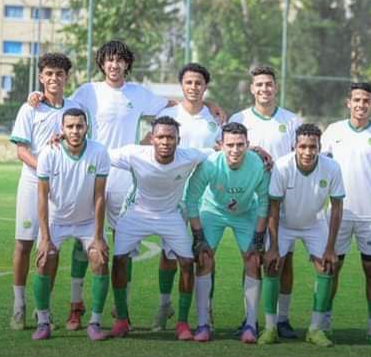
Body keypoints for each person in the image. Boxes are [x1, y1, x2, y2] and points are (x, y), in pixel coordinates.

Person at [27, 41, 224, 330]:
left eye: (120, 60)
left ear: (127, 65)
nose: (114, 65)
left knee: (123, 246)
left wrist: (208, 105)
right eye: (109, 60)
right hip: (90, 174)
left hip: (123, 179)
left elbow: (174, 105)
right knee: (82, 242)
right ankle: (75, 306)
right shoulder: (87, 91)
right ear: (102, 64)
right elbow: (64, 111)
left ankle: (123, 312)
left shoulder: (138, 93)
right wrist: (37, 97)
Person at [108, 116, 213, 340]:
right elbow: (98, 154)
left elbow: (218, 151)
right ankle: (122, 320)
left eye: (171, 137)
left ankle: (182, 323)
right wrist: (63, 140)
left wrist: (255, 150)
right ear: (152, 139)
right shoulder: (134, 154)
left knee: (187, 262)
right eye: (161, 137)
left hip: (170, 215)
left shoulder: (189, 156)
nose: (165, 141)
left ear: (178, 140)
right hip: (136, 213)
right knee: (119, 260)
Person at [8, 53, 81, 330]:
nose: (54, 78)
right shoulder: (30, 108)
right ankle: (18, 304)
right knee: (24, 243)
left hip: (61, 188)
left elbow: (80, 143)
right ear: (41, 77)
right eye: (49, 73)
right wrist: (44, 168)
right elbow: (21, 150)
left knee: (51, 247)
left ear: (66, 78)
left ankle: (44, 308)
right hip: (32, 183)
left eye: (59, 74)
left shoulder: (74, 109)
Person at [229, 65, 302, 338]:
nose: (264, 89)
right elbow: (224, 147)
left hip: (282, 200)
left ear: (276, 87)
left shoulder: (291, 120)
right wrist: (253, 149)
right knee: (251, 258)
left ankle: (282, 319)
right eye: (259, 84)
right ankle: (250, 318)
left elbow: (300, 156)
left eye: (268, 84)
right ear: (252, 89)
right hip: (249, 201)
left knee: (284, 260)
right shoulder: (239, 118)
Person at [321, 82, 371, 343]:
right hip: (338, 213)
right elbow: (321, 161)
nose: (361, 105)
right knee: (331, 267)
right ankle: (323, 322)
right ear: (348, 102)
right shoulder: (334, 130)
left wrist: (368, 173)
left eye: (366, 100)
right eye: (356, 100)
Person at [257, 124, 344, 347]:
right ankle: (270, 328)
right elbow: (274, 207)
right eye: (302, 146)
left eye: (312, 147)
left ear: (319, 147)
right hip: (284, 223)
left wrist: (330, 248)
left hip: (314, 224)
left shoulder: (332, 167)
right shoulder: (282, 166)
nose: (307, 151)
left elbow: (336, 207)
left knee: (327, 267)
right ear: (294, 146)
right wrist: (273, 247)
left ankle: (315, 330)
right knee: (272, 266)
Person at [150, 63, 221, 332]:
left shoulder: (215, 117)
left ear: (205, 87)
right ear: (182, 85)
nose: (193, 87)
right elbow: (151, 145)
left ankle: (206, 309)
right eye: (189, 82)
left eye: (198, 83)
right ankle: (164, 305)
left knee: (205, 253)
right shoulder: (168, 115)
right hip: (174, 195)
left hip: (207, 196)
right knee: (169, 254)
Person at [184, 122, 270, 343]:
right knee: (204, 258)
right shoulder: (210, 164)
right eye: (230, 145)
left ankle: (250, 324)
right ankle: (203, 323)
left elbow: (264, 202)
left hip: (246, 212)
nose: (235, 150)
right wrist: (199, 237)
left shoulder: (258, 165)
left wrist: (258, 240)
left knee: (253, 260)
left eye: (240, 144)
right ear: (221, 145)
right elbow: (191, 199)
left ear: (248, 144)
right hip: (213, 211)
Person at [31, 108, 111, 341]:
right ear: (62, 129)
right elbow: (42, 197)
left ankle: (95, 322)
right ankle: (43, 321)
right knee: (44, 260)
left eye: (79, 126)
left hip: (87, 221)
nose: (75, 131)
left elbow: (99, 196)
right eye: (70, 126)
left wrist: (98, 237)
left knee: (100, 259)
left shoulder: (99, 152)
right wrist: (45, 238)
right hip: (56, 221)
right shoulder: (49, 152)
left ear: (87, 127)